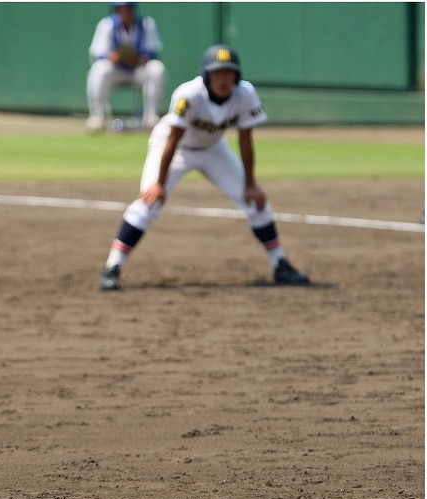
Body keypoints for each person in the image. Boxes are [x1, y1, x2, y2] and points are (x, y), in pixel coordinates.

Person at [98, 44, 310, 290]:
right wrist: (158, 183)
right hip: (173, 149)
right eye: (217, 73)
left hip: (214, 149)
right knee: (149, 201)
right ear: (207, 75)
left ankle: (280, 264)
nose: (223, 79)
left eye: (228, 73)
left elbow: (245, 140)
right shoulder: (188, 94)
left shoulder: (245, 94)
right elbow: (173, 140)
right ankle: (112, 267)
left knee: (255, 201)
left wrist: (250, 184)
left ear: (236, 76)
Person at [86, 2, 166, 132]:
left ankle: (151, 118)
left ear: (133, 9)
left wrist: (137, 58)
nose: (124, 12)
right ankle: (97, 118)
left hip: (138, 70)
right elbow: (98, 53)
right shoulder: (107, 24)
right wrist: (115, 56)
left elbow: (153, 52)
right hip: (116, 71)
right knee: (99, 69)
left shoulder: (146, 24)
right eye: (121, 9)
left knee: (157, 69)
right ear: (116, 10)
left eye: (127, 8)